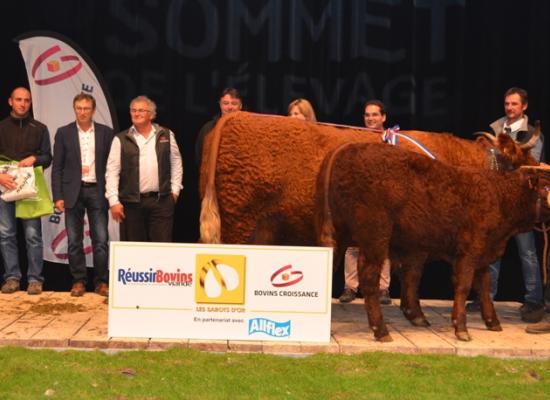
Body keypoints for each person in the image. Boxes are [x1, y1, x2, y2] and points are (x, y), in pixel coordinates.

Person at [467, 87, 545, 323]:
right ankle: (485, 297)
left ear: (524, 107)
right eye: (507, 104)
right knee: (492, 251)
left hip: (521, 204)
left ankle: (534, 301)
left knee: (527, 252)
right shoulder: (495, 130)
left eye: (514, 104)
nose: (510, 108)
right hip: (497, 203)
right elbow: (487, 164)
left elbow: (532, 166)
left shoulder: (533, 134)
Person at [51, 93, 113, 297]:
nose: (83, 112)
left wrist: (112, 195)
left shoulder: (106, 133)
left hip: (97, 190)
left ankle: (102, 282)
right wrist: (58, 196)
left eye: (86, 108)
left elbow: (113, 167)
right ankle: (78, 281)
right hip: (72, 192)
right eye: (79, 108)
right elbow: (57, 167)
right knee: (74, 240)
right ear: (74, 109)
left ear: (93, 110)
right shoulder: (63, 132)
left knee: (101, 240)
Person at [105, 95, 183, 242]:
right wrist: (113, 201)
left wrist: (175, 190)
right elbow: (112, 172)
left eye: (141, 110)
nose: (136, 113)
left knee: (162, 247)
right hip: (132, 203)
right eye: (133, 110)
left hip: (162, 201)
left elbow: (176, 163)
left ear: (151, 114)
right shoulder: (120, 139)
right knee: (136, 249)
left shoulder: (166, 135)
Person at [339, 100, 391, 304]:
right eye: (367, 115)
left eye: (375, 115)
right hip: (358, 196)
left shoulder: (391, 138)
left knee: (382, 244)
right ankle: (350, 287)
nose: (370, 118)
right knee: (353, 244)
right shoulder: (355, 138)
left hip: (381, 197)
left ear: (383, 117)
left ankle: (383, 288)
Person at [0, 87, 52, 295]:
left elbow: (48, 157)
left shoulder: (39, 128)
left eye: (27, 100)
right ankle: (12, 278)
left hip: (29, 187)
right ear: (10, 101)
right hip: (5, 185)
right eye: (19, 100)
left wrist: (35, 159)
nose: (23, 104)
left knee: (32, 235)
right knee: (6, 234)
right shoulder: (1, 127)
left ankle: (35, 279)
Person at [195, 88, 242, 166]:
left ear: (240, 106)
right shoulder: (207, 129)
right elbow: (199, 158)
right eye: (225, 103)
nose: (230, 107)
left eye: (234, 103)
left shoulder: (248, 130)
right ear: (220, 104)